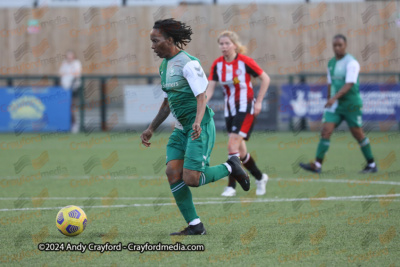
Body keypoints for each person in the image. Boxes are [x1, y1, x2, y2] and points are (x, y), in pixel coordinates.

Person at [140, 19, 250, 235]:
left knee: (192, 179)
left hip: (200, 127)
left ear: (170, 40)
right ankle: (195, 226)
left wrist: (198, 122)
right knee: (172, 172)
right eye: (151, 41)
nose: (153, 46)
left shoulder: (189, 63)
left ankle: (231, 166)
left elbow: (202, 96)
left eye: (156, 41)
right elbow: (167, 102)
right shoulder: (164, 66)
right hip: (181, 130)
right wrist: (151, 127)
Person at [300, 34, 377, 173]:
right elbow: (330, 82)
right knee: (326, 131)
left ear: (345, 45)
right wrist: (329, 98)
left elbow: (349, 84)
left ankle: (371, 164)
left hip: (351, 104)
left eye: (340, 45)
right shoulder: (331, 63)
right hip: (335, 105)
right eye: (334, 45)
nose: (337, 48)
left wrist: (334, 98)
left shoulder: (351, 62)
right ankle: (317, 165)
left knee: (357, 133)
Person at [206, 31, 271, 196]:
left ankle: (231, 187)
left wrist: (259, 101)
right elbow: (210, 89)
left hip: (245, 107)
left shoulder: (244, 61)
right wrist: (200, 106)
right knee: (240, 153)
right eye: (221, 44)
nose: (224, 46)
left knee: (231, 145)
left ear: (234, 45)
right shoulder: (217, 65)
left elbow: (266, 79)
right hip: (230, 110)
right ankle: (260, 176)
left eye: (227, 43)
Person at [59, 50, 82, 133]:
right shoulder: (64, 64)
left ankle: (75, 125)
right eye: (68, 57)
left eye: (71, 57)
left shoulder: (76, 63)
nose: (69, 59)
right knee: (65, 107)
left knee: (71, 107)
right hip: (64, 89)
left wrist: (70, 83)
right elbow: (61, 74)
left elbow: (76, 75)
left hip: (73, 89)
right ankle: (67, 125)